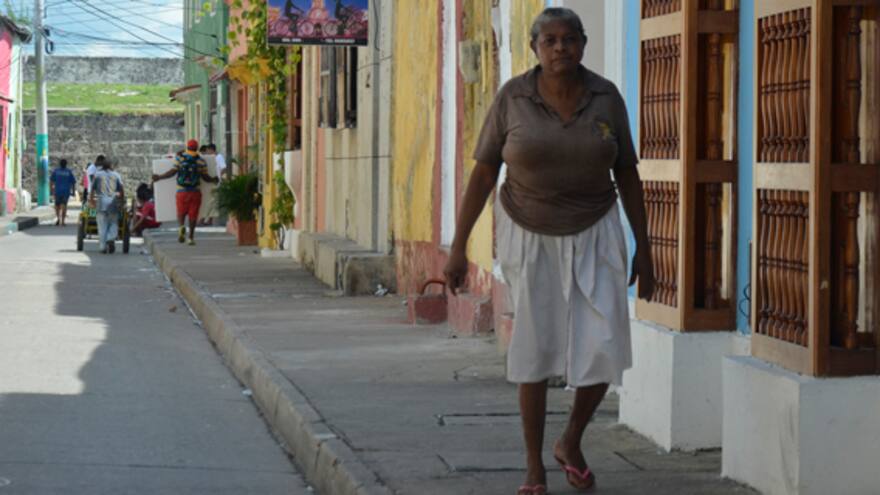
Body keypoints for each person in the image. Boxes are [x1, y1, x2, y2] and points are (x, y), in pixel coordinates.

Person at [443, 9, 655, 495]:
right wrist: (457, 248)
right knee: (536, 348)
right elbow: (482, 175)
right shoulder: (513, 98)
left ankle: (571, 440)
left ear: (583, 44)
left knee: (605, 344)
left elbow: (627, 173)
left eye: (570, 40)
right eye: (551, 41)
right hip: (528, 230)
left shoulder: (606, 98)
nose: (561, 48)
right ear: (536, 48)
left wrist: (645, 247)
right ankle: (533, 467)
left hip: (597, 228)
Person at [151, 139, 219, 245]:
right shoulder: (201, 161)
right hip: (195, 192)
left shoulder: (180, 158)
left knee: (181, 212)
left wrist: (159, 177)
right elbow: (205, 178)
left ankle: (181, 226)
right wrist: (214, 179)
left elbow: (172, 172)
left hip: (182, 191)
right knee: (193, 215)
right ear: (196, 148)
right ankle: (191, 237)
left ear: (187, 147)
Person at [88, 155, 125, 254]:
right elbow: (121, 189)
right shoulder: (116, 175)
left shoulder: (97, 175)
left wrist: (91, 201)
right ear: (111, 166)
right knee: (113, 223)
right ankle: (110, 237)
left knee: (102, 226)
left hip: (101, 204)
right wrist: (122, 201)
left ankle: (102, 247)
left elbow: (92, 190)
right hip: (113, 204)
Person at [49, 159, 77, 226]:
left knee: (57, 206)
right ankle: (63, 221)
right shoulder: (69, 172)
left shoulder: (56, 171)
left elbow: (51, 181)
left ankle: (58, 219)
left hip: (57, 191)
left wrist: (51, 190)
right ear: (66, 164)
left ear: (60, 164)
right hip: (66, 192)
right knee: (64, 206)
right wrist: (73, 192)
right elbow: (73, 182)